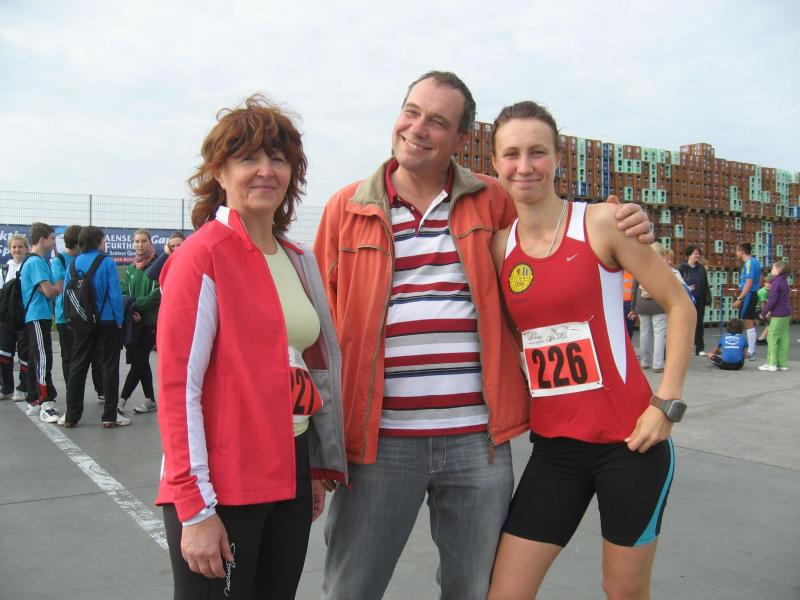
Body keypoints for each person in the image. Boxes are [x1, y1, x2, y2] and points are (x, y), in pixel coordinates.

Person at [313, 71, 654, 600]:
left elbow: (554, 224)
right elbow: (318, 335)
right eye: (412, 112)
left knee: (474, 590)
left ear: (461, 138)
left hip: (477, 443)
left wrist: (625, 219)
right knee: (350, 588)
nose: (417, 128)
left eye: (437, 121)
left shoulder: (492, 199)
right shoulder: (345, 208)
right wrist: (320, 446)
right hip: (379, 444)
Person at [485, 100, 695, 600]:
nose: (524, 165)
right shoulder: (498, 248)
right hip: (555, 449)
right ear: (495, 164)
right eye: (511, 154)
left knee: (623, 591)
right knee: (506, 592)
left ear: (558, 158)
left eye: (537, 152)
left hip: (631, 445)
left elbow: (679, 305)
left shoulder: (602, 222)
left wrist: (666, 403)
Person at [155, 94, 347, 599]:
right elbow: (178, 389)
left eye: (278, 159)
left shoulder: (297, 258)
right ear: (219, 173)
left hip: (292, 467)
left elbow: (305, 368)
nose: (266, 170)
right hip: (225, 481)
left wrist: (312, 468)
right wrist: (195, 508)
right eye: (248, 158)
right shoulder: (202, 256)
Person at [59, 226, 128, 428]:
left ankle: (72, 415)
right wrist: (119, 319)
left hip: (81, 322)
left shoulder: (73, 263)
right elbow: (115, 294)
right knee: (109, 365)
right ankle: (109, 416)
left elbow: (65, 294)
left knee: (78, 366)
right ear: (98, 242)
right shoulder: (106, 262)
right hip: (106, 321)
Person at [50, 225, 105, 400]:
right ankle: (72, 392)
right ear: (77, 243)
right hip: (66, 315)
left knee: (95, 354)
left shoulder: (83, 258)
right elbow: (61, 287)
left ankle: (101, 390)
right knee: (69, 357)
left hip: (88, 314)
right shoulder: (59, 260)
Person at [20, 222, 60, 422]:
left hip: (38, 315)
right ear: (42, 238)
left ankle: (34, 398)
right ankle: (45, 401)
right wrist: (57, 286)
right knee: (43, 357)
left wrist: (51, 289)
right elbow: (49, 291)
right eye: (52, 238)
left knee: (35, 357)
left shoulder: (36, 260)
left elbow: (47, 290)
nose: (54, 242)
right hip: (37, 314)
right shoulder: (36, 262)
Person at [119, 229, 160, 415]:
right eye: (137, 241)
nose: (140, 245)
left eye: (144, 241)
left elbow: (157, 294)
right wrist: (131, 309)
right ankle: (150, 400)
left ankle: (121, 400)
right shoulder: (130, 269)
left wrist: (137, 306)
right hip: (134, 324)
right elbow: (125, 293)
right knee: (141, 362)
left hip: (150, 323)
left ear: (150, 243)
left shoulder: (157, 266)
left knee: (139, 361)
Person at [628, 243, 683, 373]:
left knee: (644, 333)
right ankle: (658, 364)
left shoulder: (639, 266)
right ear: (662, 254)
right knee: (659, 334)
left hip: (642, 304)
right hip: (659, 304)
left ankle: (645, 361)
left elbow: (634, 289)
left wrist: (633, 307)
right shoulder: (663, 268)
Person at [0, 234, 31, 400]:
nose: (17, 249)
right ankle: (6, 389)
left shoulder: (29, 267)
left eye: (20, 246)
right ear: (10, 249)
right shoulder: (4, 270)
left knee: (25, 356)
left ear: (26, 249)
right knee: (3, 354)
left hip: (25, 318)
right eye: (14, 247)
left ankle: (23, 388)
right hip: (6, 320)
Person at [678, 244, 712, 355]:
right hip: (686, 300)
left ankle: (699, 348)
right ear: (689, 255)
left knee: (699, 324)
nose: (698, 255)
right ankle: (686, 347)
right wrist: (687, 288)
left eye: (699, 254)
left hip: (699, 300)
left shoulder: (701, 269)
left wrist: (708, 299)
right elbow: (678, 284)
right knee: (685, 324)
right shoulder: (681, 268)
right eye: (695, 253)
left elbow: (705, 284)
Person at [758, 260, 791, 372]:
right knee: (783, 338)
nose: (771, 270)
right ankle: (782, 364)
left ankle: (771, 363)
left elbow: (772, 301)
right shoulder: (784, 282)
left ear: (778, 270)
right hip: (786, 313)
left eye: (772, 268)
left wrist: (763, 313)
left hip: (778, 314)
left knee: (772, 337)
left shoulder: (776, 283)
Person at [732, 242, 761, 360]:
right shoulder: (755, 262)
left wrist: (739, 298)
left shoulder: (749, 263)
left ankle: (750, 352)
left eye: (737, 250)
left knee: (746, 322)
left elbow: (749, 282)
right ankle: (747, 350)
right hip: (751, 294)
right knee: (746, 321)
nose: (736, 253)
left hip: (748, 295)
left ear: (742, 251)